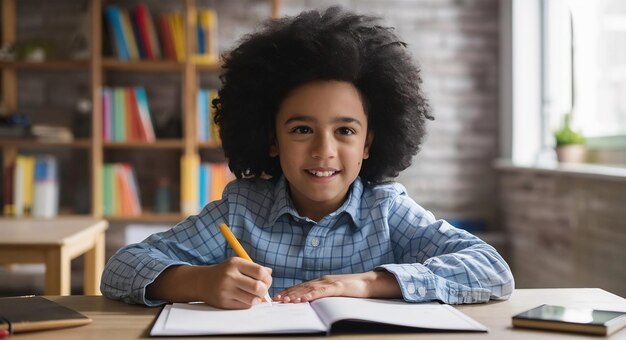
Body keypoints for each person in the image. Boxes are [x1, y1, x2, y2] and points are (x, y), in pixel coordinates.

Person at [101, 6, 514, 309]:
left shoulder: (388, 212)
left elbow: (491, 269)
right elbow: (121, 268)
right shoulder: (241, 210)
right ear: (271, 139)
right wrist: (197, 282)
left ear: (370, 143)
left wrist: (369, 283)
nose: (323, 150)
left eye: (345, 131)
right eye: (302, 130)